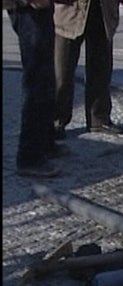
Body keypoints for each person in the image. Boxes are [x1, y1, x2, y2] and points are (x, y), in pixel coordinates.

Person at [5, 0, 69, 177]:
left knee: (46, 78)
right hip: (27, 8)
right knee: (37, 81)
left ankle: (45, 143)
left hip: (38, 7)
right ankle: (29, 157)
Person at [53, 0, 123, 139]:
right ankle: (56, 120)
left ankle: (98, 118)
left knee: (101, 71)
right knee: (61, 72)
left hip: (103, 10)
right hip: (70, 11)